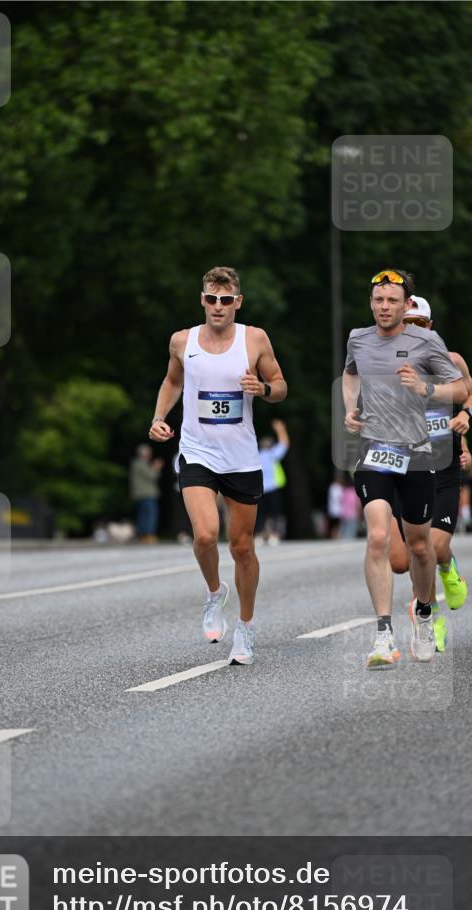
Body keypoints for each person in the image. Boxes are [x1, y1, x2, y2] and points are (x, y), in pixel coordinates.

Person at [149, 265, 287, 665]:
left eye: (226, 300)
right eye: (211, 299)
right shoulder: (182, 340)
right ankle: (214, 593)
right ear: (202, 300)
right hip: (197, 451)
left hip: (241, 457)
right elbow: (173, 381)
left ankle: (245, 628)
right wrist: (159, 418)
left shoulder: (254, 338)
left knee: (242, 547)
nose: (218, 306)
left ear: (237, 302)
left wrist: (261, 389)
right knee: (206, 535)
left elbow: (280, 385)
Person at [343, 269, 468, 668]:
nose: (384, 307)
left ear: (405, 304)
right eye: (378, 300)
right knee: (378, 535)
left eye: (392, 301)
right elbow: (350, 374)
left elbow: (461, 390)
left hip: (418, 455)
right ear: (371, 302)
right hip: (375, 451)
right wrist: (350, 407)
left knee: (419, 546)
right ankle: (383, 634)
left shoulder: (426, 341)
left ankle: (426, 616)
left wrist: (426, 389)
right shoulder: (357, 339)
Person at [387, 295, 472, 652]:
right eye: (405, 324)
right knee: (400, 561)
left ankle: (431, 613)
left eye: (419, 325)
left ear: (431, 328)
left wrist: (466, 420)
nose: (411, 331)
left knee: (431, 546)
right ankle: (431, 601)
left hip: (442, 470)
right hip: (404, 468)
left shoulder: (451, 361)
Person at [256, 419, 289, 543]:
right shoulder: (257, 454)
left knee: (274, 513)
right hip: (261, 489)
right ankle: (260, 534)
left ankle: (274, 534)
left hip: (273, 487)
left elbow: (284, 444)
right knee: (260, 514)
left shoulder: (272, 454)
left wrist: (281, 430)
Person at [129, 444, 164, 543]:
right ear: (143, 453)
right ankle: (149, 535)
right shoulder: (141, 463)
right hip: (147, 494)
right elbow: (152, 476)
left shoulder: (136, 463)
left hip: (140, 494)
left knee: (142, 515)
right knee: (151, 515)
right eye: (148, 452)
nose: (150, 454)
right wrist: (156, 467)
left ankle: (143, 535)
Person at [340, 473, 361, 539]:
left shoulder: (344, 491)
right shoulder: (354, 492)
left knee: (344, 530)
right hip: (353, 513)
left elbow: (341, 501)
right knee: (352, 531)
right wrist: (359, 512)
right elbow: (357, 504)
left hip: (344, 513)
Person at [327, 475, 343, 539]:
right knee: (334, 524)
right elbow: (339, 498)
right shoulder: (334, 487)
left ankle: (335, 536)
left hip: (337, 508)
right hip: (335, 508)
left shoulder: (336, 487)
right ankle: (334, 536)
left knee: (336, 524)